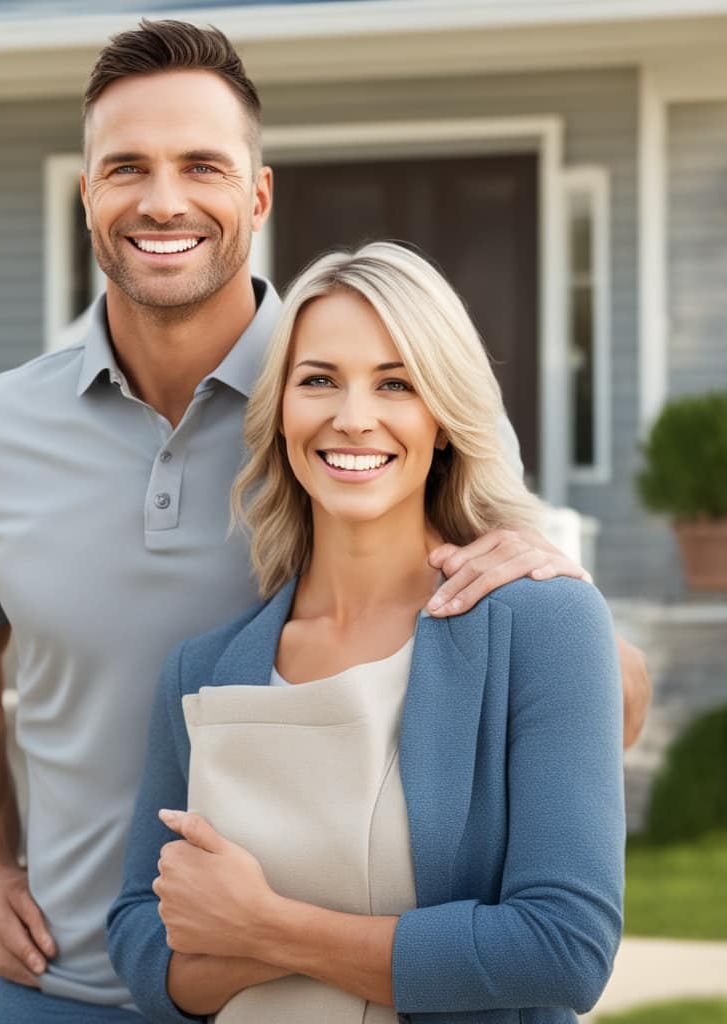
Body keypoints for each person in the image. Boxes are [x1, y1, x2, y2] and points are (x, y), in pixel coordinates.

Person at [0, 20, 647, 1023]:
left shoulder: (381, 406)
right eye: (126, 167)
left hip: (342, 994)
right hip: (74, 984)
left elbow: (578, 684)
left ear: (257, 193)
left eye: (201, 164)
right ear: (86, 193)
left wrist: (559, 606)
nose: (163, 200)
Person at [108, 242, 625, 1024]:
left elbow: (563, 949)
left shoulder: (542, 624)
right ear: (280, 409)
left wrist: (265, 929)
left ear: (445, 420)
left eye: (397, 384)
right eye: (318, 381)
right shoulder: (202, 671)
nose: (354, 419)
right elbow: (142, 945)